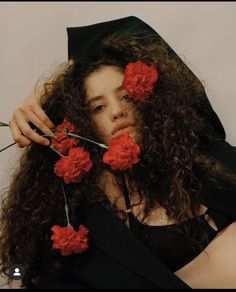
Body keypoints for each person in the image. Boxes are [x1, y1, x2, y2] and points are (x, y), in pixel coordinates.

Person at [1, 16, 236, 289]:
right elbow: (18, 271)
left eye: (126, 96)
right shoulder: (69, 215)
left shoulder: (209, 161)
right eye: (97, 107)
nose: (117, 111)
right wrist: (48, 93)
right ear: (81, 121)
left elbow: (134, 30)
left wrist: (56, 80)